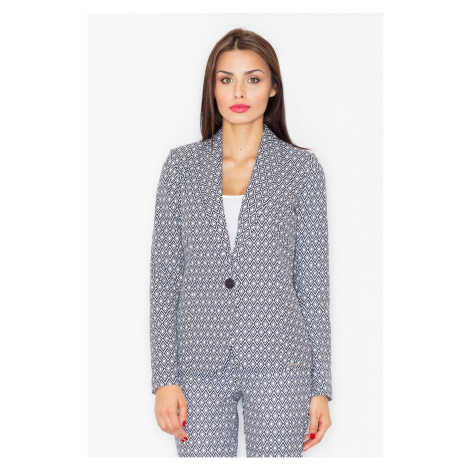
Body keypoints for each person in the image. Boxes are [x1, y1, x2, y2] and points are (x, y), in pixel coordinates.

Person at [150, 28, 332, 458]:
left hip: (281, 362)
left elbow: (312, 284)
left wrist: (320, 387)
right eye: (225, 79)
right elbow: (164, 279)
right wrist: (164, 378)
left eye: (253, 79)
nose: (238, 92)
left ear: (273, 88)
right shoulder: (181, 167)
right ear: (212, 87)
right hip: (198, 363)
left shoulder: (301, 170)